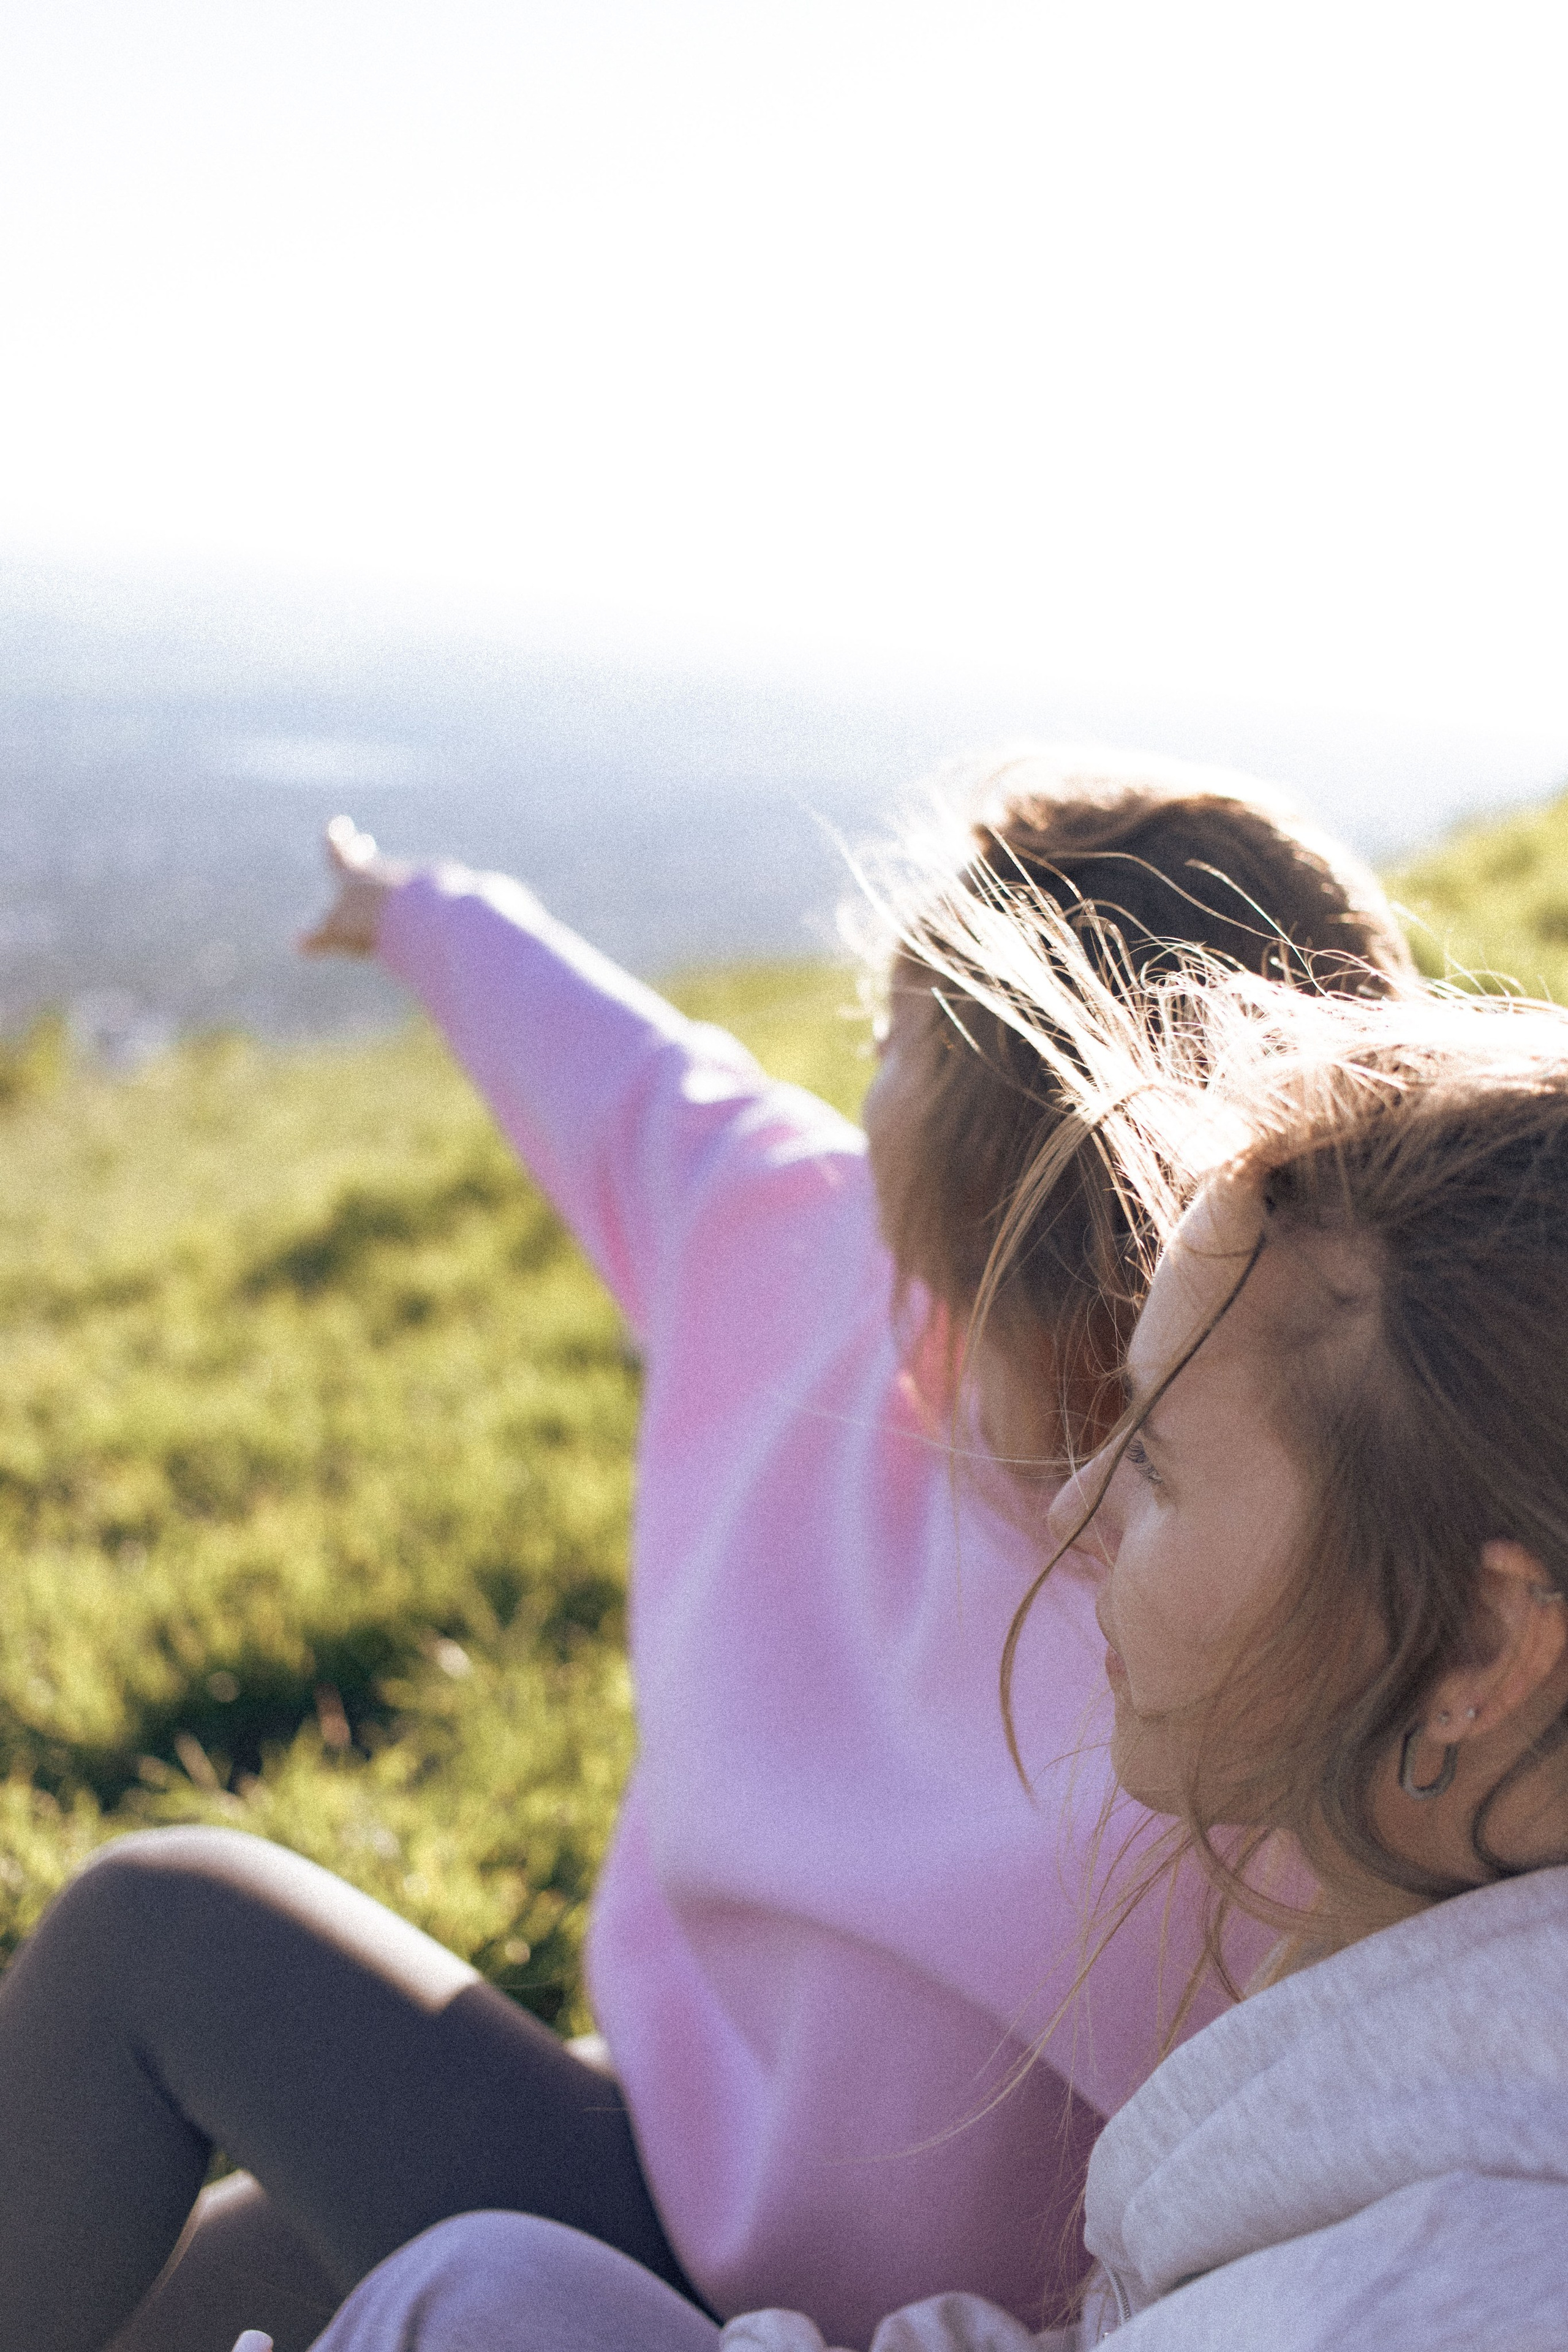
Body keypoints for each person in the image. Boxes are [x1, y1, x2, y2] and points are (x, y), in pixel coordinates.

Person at [0, 754, 1412, 2352]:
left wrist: (414, 910)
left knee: (161, 1932)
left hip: (852, 2320)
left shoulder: (1257, 1615)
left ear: (974, 1155)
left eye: (895, 1039)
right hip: (648, 2165)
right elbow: (621, 1079)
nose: (857, 1064)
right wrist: (415, 913)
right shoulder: (808, 1250)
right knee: (167, 2284)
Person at [288, 913, 1568, 2350]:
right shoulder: (1421, 1947)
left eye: (1152, 1462)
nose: (1079, 1507)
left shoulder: (1440, 2284)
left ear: (1473, 1648)